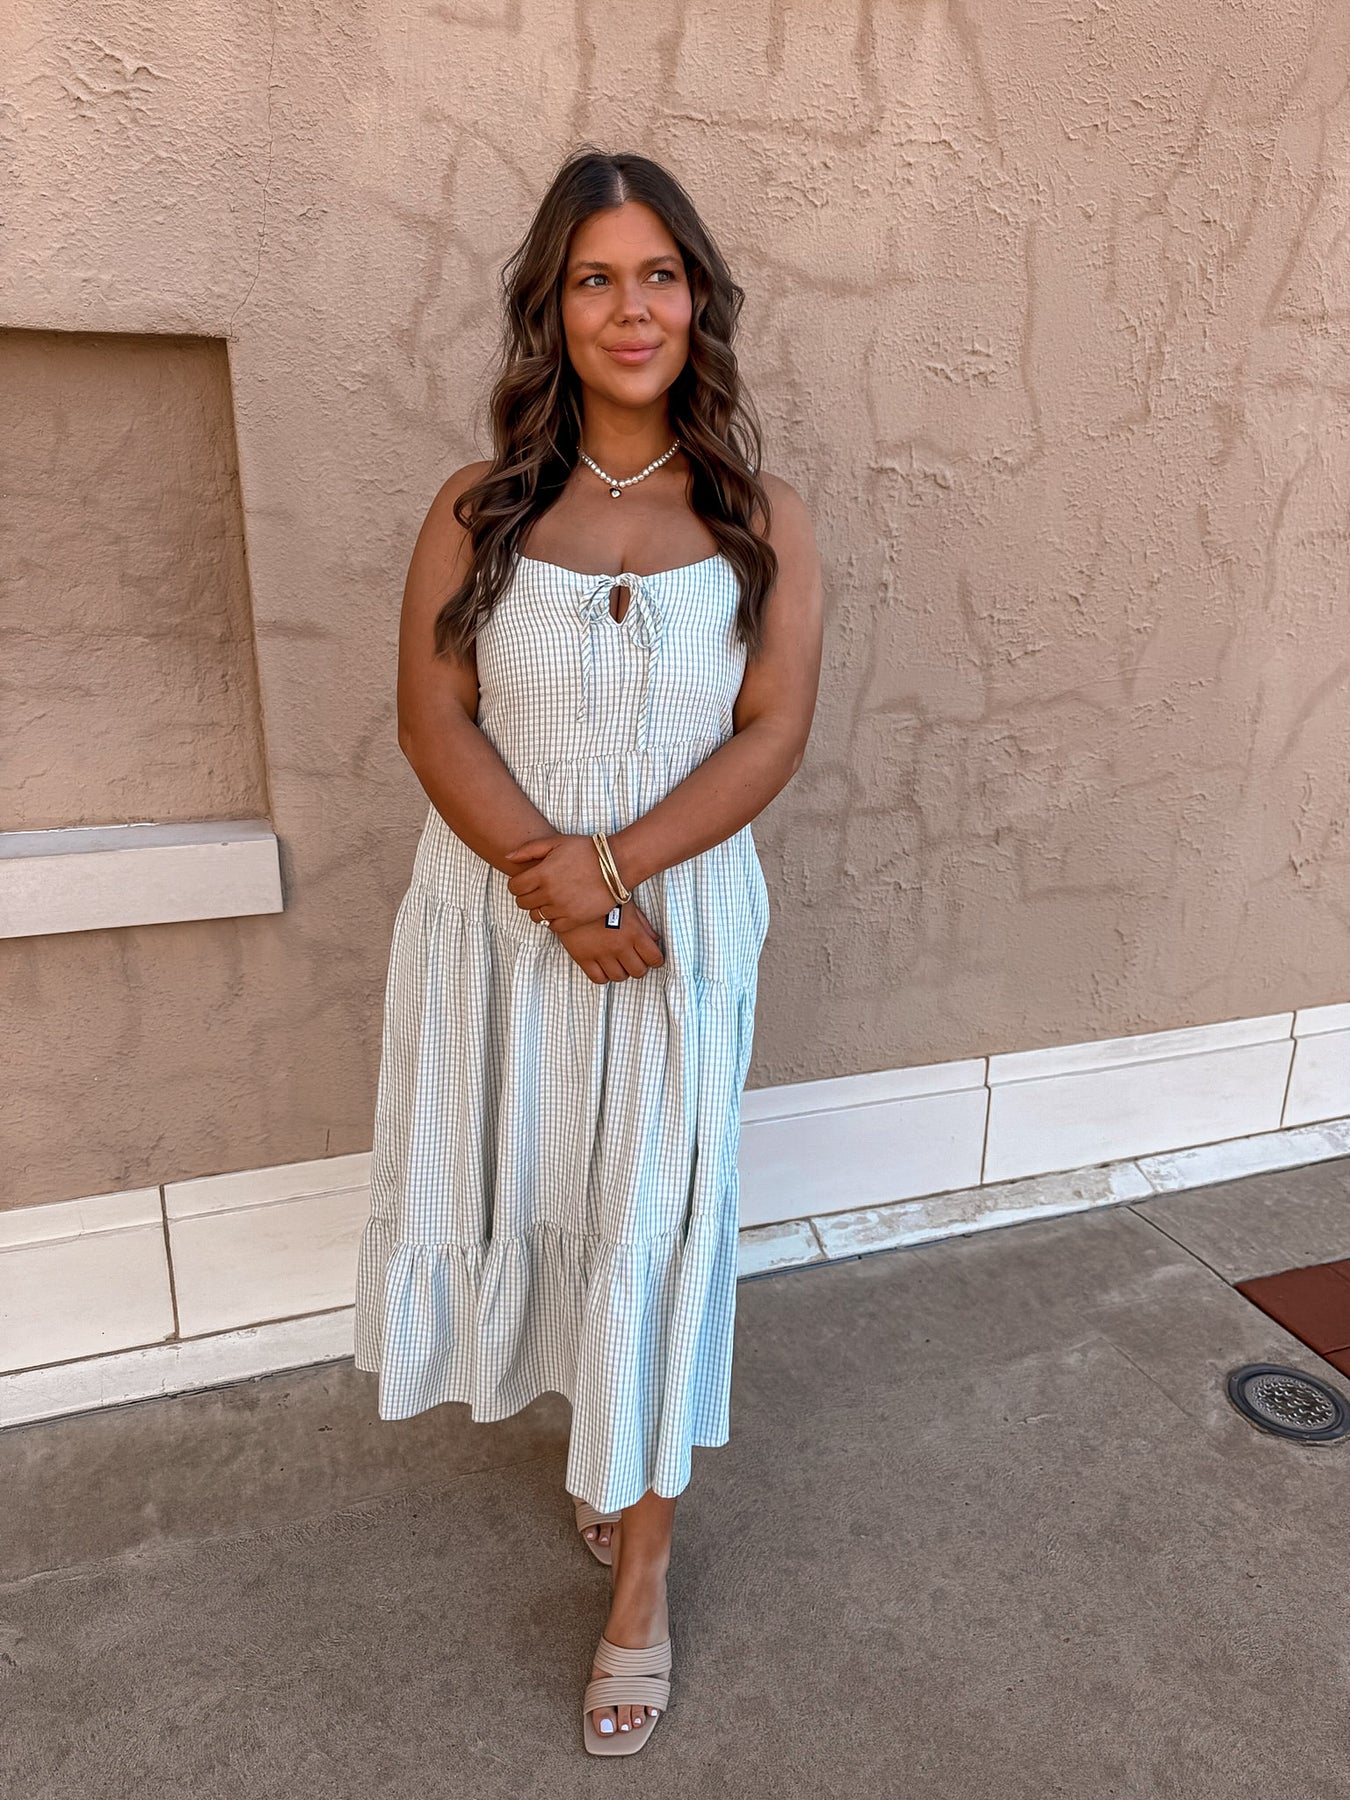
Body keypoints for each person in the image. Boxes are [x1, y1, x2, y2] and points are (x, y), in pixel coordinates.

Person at [353, 145, 823, 1756]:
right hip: (504, 931)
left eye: (659, 275)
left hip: (674, 937)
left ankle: (643, 1582)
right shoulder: (476, 510)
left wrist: (614, 873)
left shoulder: (760, 521)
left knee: (654, 1226)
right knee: (548, 1193)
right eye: (595, 279)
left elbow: (771, 734)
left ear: (698, 301)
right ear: (552, 310)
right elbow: (434, 719)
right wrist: (559, 893)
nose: (633, 308)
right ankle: (601, 1457)